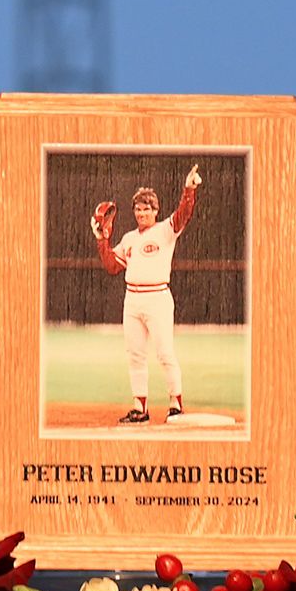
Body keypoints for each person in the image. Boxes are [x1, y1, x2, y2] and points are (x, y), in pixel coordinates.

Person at [88, 165, 199, 424]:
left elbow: (183, 214)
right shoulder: (129, 239)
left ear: (155, 210)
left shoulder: (165, 230)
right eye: (138, 209)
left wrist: (189, 189)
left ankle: (176, 404)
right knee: (135, 353)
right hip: (133, 299)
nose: (142, 213)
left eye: (147, 208)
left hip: (158, 297)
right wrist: (101, 239)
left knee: (164, 353)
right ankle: (140, 407)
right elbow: (112, 266)